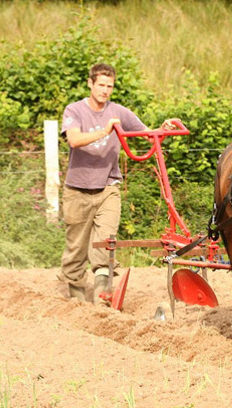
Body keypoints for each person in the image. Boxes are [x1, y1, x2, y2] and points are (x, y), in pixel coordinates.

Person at [57, 63, 177, 304]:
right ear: (90, 84)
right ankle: (77, 299)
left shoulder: (119, 112)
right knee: (76, 249)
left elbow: (145, 134)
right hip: (77, 189)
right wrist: (105, 131)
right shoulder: (75, 110)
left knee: (106, 242)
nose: (105, 90)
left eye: (109, 86)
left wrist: (162, 131)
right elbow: (74, 140)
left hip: (108, 187)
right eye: (101, 85)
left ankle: (102, 296)